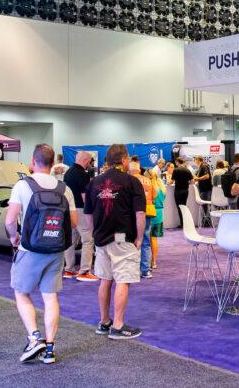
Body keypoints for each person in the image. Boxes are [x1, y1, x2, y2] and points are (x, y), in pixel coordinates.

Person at [5, 144, 76, 364]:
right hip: (56, 250)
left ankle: (35, 338)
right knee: (50, 297)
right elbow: (73, 223)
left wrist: (14, 238)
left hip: (30, 249)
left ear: (33, 161)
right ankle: (50, 349)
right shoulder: (65, 189)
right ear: (53, 163)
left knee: (21, 293)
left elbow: (10, 220)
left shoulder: (22, 185)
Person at [85, 144, 146, 340]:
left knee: (105, 279)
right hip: (122, 239)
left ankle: (104, 322)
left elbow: (88, 215)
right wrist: (139, 237)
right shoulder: (132, 182)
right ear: (124, 159)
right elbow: (140, 214)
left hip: (101, 238)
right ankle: (118, 325)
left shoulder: (94, 183)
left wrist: (95, 233)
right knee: (122, 280)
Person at [62, 151, 97, 282]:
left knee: (71, 240)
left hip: (69, 210)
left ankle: (69, 269)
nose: (90, 164)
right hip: (81, 210)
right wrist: (92, 210)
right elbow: (85, 197)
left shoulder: (68, 173)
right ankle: (84, 271)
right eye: (90, 161)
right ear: (86, 160)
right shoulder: (83, 174)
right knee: (88, 239)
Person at [129, 160, 155, 280]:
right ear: (139, 170)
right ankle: (145, 270)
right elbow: (154, 196)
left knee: (131, 240)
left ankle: (133, 269)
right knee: (145, 240)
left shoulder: (130, 180)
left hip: (134, 212)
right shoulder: (148, 180)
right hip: (148, 211)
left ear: (130, 170)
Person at [146, 168, 166, 270]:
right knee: (154, 238)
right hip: (159, 213)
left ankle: (146, 261)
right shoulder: (161, 186)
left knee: (146, 238)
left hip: (150, 211)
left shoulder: (149, 187)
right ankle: (154, 261)